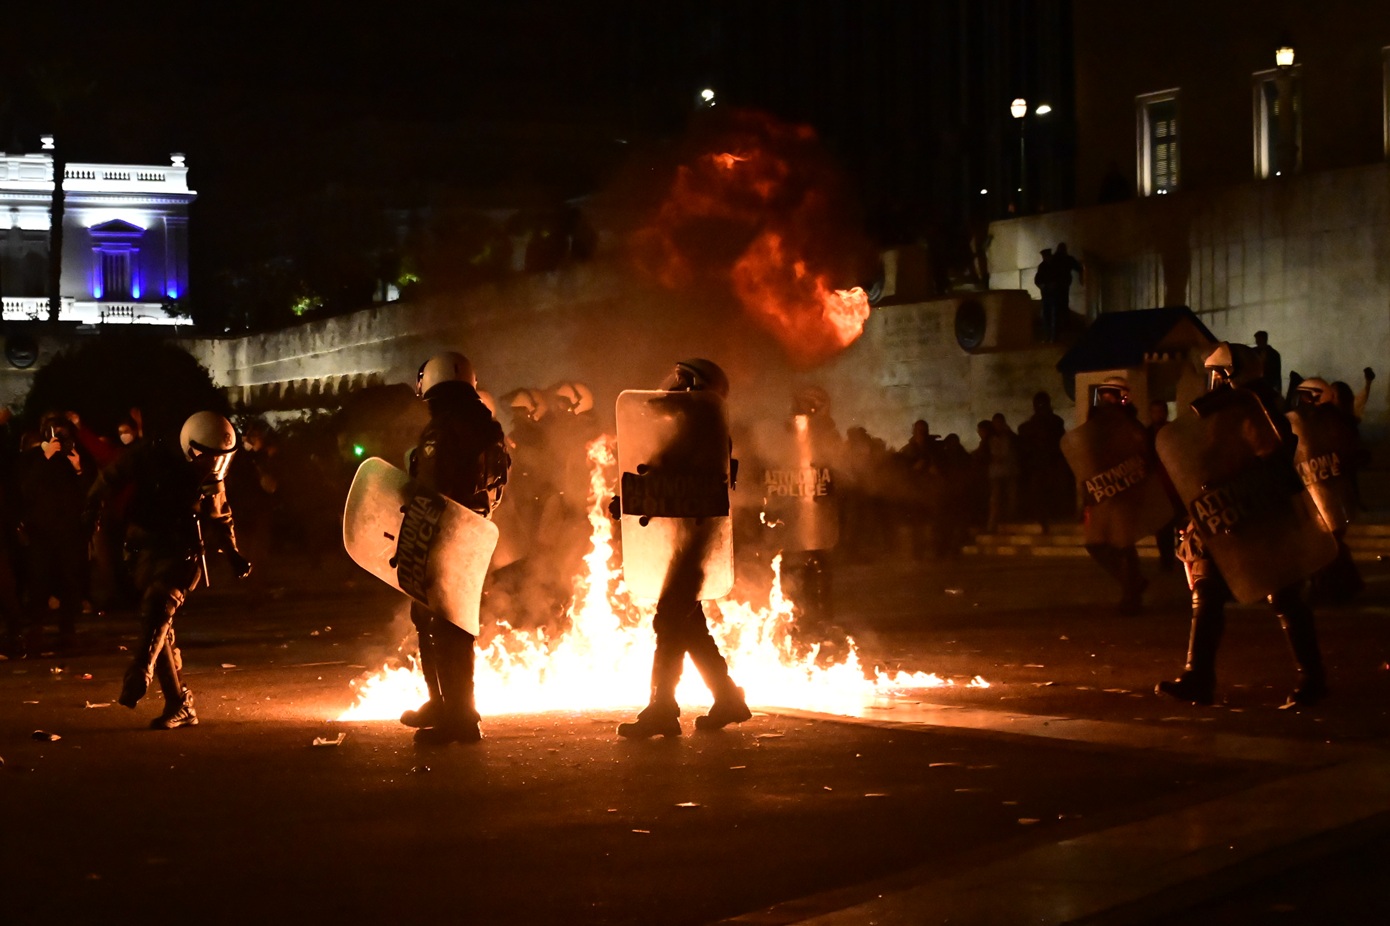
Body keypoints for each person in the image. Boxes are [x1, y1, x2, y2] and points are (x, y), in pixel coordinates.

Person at [1155, 344, 1329, 708]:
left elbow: (1271, 452)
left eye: (1216, 375)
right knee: (1208, 590)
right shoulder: (1230, 410)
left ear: (1225, 375)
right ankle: (1198, 677)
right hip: (1229, 514)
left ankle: (1312, 679)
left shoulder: (1257, 407)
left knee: (1283, 595)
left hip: (1261, 513)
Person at [86, 411, 251, 728]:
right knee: (157, 625)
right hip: (144, 548)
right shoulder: (151, 455)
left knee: (159, 606)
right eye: (210, 457)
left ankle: (140, 672)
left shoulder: (209, 476)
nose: (215, 467)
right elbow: (111, 476)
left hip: (181, 552)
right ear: (192, 447)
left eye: (221, 459)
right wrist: (93, 505)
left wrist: (232, 552)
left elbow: (220, 516)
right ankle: (179, 703)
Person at [616, 358, 752, 739]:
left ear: (695, 388)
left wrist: (641, 494)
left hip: (692, 542)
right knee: (689, 626)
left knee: (670, 621)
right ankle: (728, 698)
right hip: (684, 540)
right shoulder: (701, 427)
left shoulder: (702, 430)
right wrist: (634, 499)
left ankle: (662, 710)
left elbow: (681, 485)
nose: (670, 387)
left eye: (680, 381)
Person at [399, 351, 511, 745]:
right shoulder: (487, 427)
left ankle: (459, 718)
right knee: (441, 621)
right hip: (476, 530)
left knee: (444, 626)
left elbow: (432, 491)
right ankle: (442, 703)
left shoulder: (440, 431)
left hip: (445, 533)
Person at [1034, 243, 1082, 343]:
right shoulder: (1046, 266)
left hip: (1054, 293)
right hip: (1050, 293)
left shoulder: (1054, 264)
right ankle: (1051, 336)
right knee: (1050, 314)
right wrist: (1044, 286)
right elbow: (1038, 280)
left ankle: (1054, 336)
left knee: (1055, 314)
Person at [1252, 331, 1282, 397]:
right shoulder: (1253, 352)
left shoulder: (1274, 354)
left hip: (1268, 385)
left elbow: (1277, 373)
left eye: (1258, 340)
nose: (1257, 342)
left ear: (1264, 339)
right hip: (1258, 385)